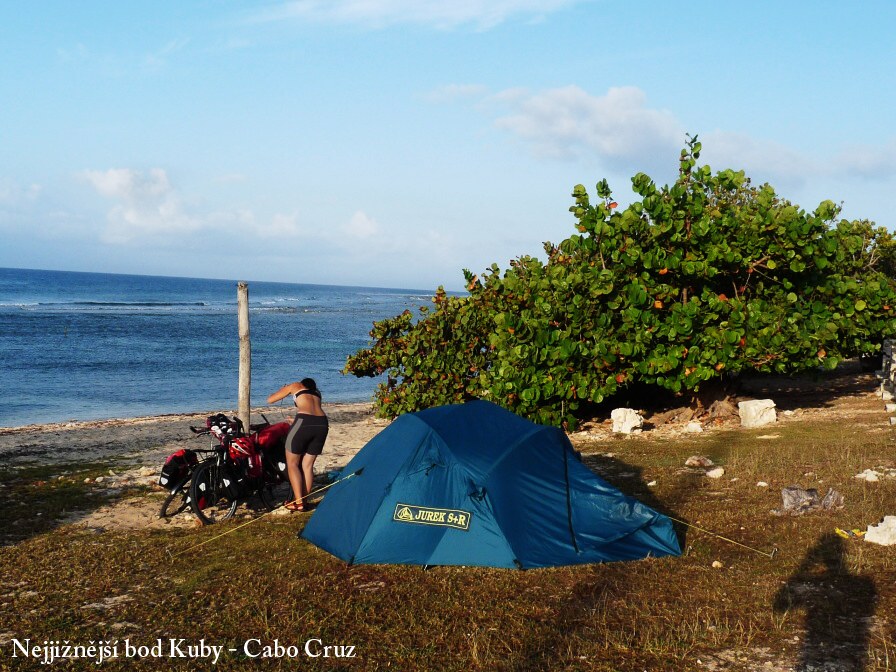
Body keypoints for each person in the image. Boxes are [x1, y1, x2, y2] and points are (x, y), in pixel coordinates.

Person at [267, 377, 328, 512]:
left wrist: (285, 388)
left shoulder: (296, 385)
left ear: (302, 384)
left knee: (292, 464)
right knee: (307, 465)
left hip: (303, 422)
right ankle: (304, 501)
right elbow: (310, 411)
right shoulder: (317, 394)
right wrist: (295, 420)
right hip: (322, 424)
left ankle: (298, 501)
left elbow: (270, 399)